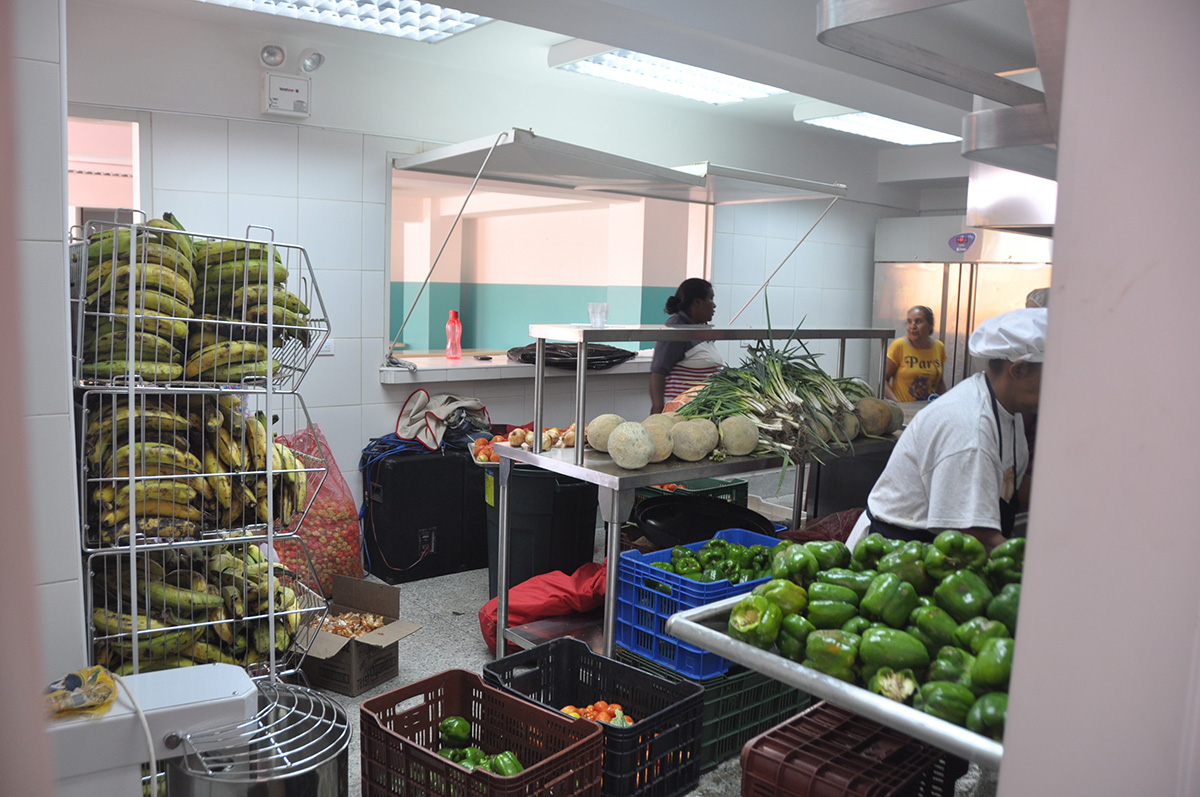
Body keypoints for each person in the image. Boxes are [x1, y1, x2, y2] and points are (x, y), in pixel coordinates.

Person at [847, 307, 1048, 552]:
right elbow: (975, 536)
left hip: (938, 552)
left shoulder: (1008, 410)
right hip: (897, 554)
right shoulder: (970, 429)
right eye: (1050, 376)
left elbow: (1010, 480)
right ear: (1017, 370)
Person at [649, 278, 720, 414]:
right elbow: (658, 371)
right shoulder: (677, 329)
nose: (714, 305)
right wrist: (658, 410)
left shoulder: (699, 328)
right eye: (711, 299)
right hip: (680, 410)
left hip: (700, 409)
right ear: (697, 302)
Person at [883, 305, 947, 403]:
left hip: (928, 409)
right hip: (905, 410)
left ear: (930, 325)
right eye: (909, 322)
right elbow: (883, 381)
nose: (913, 326)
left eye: (918, 321)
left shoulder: (939, 347)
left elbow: (940, 382)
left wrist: (945, 402)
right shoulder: (899, 346)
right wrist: (898, 405)